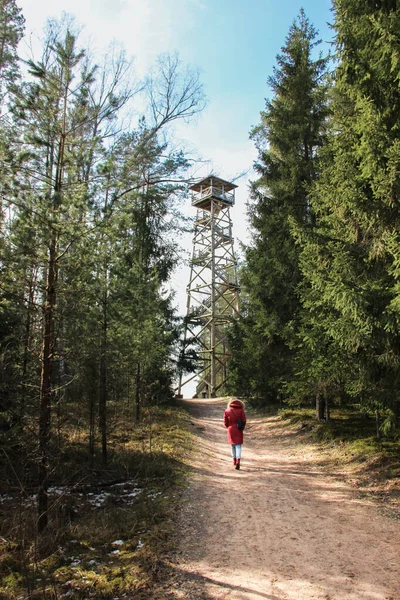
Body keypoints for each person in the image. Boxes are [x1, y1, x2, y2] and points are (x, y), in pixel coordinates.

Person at [224, 398, 246, 470]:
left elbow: (225, 422)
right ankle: (238, 460)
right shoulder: (241, 410)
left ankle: (234, 460)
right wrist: (242, 427)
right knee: (238, 446)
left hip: (230, 429)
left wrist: (229, 426)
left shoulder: (227, 411)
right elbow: (244, 420)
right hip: (238, 429)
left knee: (232, 445)